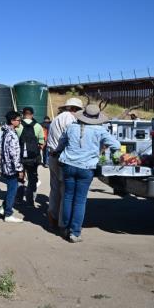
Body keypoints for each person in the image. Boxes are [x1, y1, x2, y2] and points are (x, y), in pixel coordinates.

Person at [56, 104, 120, 243]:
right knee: (80, 201)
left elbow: (61, 143)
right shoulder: (100, 130)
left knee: (67, 197)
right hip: (86, 168)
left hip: (68, 165)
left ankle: (65, 228)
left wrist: (57, 151)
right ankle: (75, 232)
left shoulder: (71, 127)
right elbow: (116, 145)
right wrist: (113, 152)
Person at [46, 98, 83, 228]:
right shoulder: (70, 119)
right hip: (61, 157)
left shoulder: (57, 118)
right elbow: (70, 139)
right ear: (75, 109)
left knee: (55, 188)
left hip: (52, 155)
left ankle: (52, 215)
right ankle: (63, 222)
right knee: (65, 191)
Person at [0, 111, 25, 223]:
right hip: (11, 167)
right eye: (18, 120)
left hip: (6, 166)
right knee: (12, 190)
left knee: (11, 189)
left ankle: (3, 208)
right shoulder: (12, 134)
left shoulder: (5, 132)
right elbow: (14, 154)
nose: (20, 121)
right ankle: (8, 214)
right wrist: (19, 169)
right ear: (12, 121)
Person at [16, 107, 45, 207]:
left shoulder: (18, 125)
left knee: (20, 178)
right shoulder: (38, 126)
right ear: (32, 115)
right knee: (32, 179)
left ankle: (18, 199)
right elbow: (41, 144)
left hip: (20, 157)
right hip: (33, 158)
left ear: (23, 114)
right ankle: (30, 201)